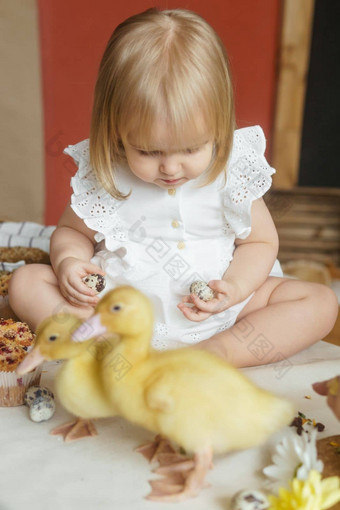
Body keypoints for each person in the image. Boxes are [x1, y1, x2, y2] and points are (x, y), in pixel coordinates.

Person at [9, 8, 338, 367]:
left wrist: (236, 289)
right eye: (148, 151)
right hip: (120, 311)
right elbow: (72, 232)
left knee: (320, 303)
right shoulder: (107, 174)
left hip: (220, 311)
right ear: (116, 132)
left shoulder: (231, 172)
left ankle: (218, 352)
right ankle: (102, 345)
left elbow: (260, 242)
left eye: (191, 148)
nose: (170, 167)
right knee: (26, 283)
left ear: (218, 126)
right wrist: (69, 261)